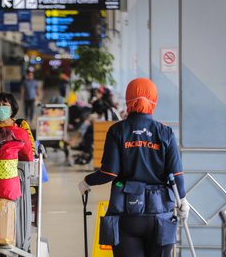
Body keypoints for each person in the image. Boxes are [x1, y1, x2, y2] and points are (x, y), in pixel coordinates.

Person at [77, 78, 190, 257]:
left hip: (126, 213)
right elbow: (176, 175)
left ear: (128, 98)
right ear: (154, 99)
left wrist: (86, 181)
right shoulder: (165, 132)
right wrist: (182, 200)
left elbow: (109, 172)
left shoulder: (117, 130)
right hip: (160, 214)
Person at [0, 92, 35, 160]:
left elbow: (30, 146)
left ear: (12, 108)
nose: (0, 108)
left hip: (19, 163)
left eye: (4, 104)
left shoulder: (21, 124)